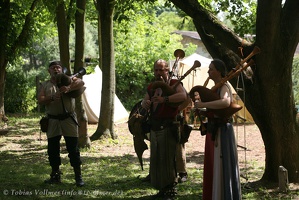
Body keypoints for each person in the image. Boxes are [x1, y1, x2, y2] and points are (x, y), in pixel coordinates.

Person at [194, 59, 241, 199]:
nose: (209, 71)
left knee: (221, 164)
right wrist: (203, 109)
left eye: (211, 69)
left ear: (219, 71)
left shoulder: (224, 86)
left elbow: (226, 102)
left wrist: (203, 103)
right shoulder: (215, 88)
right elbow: (213, 107)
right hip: (213, 129)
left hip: (222, 130)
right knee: (213, 164)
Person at [141, 59, 187, 199]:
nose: (158, 73)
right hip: (155, 126)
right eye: (156, 70)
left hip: (168, 126)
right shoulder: (152, 86)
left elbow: (183, 96)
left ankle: (170, 191)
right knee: (158, 160)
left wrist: (165, 100)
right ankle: (162, 189)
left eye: (161, 70)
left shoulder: (174, 83)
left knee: (168, 160)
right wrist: (146, 103)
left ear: (167, 70)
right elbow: (144, 101)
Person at [37, 61, 85, 187]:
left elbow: (81, 82)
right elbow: (40, 100)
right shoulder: (45, 85)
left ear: (61, 70)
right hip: (52, 120)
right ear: (49, 71)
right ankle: (55, 175)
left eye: (58, 67)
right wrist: (52, 98)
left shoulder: (69, 79)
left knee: (73, 149)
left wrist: (68, 88)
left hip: (68, 119)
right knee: (53, 150)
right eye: (53, 68)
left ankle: (78, 177)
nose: (56, 69)